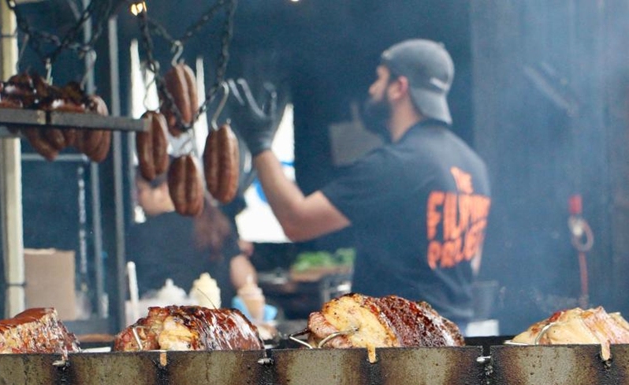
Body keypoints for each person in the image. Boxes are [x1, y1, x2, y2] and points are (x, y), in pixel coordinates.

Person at [232, 39, 491, 326]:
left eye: (380, 79)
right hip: (456, 339)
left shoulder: (395, 164)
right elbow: (471, 263)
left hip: (397, 345)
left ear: (399, 87)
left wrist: (259, 144)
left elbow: (297, 221)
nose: (372, 89)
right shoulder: (473, 166)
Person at [127, 170, 257, 309]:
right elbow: (245, 281)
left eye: (140, 191)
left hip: (164, 324)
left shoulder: (140, 233)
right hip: (217, 323)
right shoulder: (215, 223)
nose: (137, 201)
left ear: (164, 190)